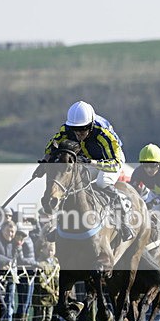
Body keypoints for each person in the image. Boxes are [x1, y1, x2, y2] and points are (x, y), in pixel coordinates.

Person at [38, 100, 134, 241]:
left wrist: (91, 162)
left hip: (111, 160)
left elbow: (115, 163)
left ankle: (123, 222)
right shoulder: (67, 129)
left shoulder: (103, 134)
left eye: (83, 129)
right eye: (75, 129)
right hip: (87, 159)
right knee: (72, 181)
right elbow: (50, 148)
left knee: (102, 182)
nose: (79, 133)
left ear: (91, 125)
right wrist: (44, 163)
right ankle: (60, 224)